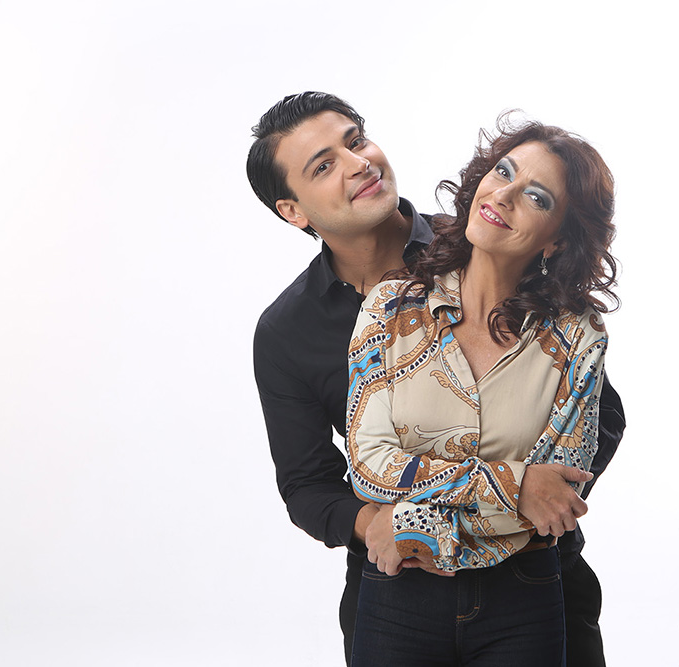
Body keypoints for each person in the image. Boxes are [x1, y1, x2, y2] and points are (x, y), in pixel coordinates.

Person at [247, 92, 624, 666]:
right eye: (323, 166)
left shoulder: (494, 234)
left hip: (535, 579)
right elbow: (308, 484)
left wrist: (538, 508)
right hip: (398, 575)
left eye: (356, 141)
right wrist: (376, 522)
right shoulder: (287, 330)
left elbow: (598, 414)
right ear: (293, 211)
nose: (358, 164)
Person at [346, 118, 618, 666]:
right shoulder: (390, 307)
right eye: (503, 172)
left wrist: (408, 522)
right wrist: (517, 483)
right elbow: (369, 465)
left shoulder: (578, 336)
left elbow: (554, 500)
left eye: (537, 197)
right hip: (399, 594)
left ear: (558, 238)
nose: (504, 195)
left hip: (521, 594)